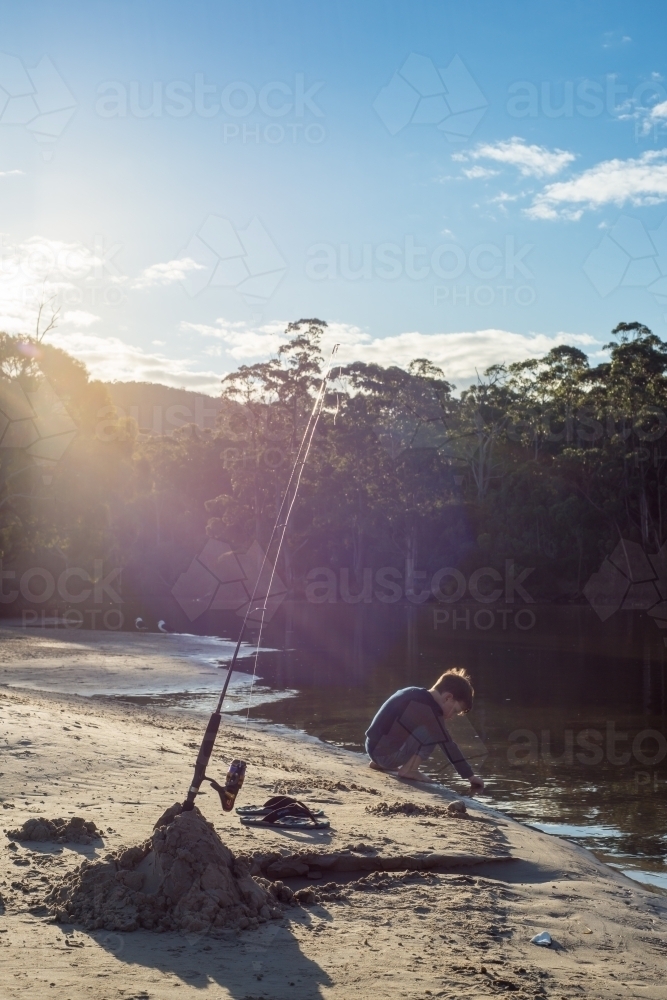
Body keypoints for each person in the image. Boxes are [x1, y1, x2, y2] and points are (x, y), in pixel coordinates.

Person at [364, 667, 484, 794]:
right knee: (434, 733)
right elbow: (448, 745)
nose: (451, 716)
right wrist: (470, 776)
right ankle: (410, 770)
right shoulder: (430, 711)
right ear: (448, 697)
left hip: (372, 747)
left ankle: (380, 763)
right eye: (454, 711)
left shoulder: (413, 692)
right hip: (385, 755)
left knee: (430, 728)